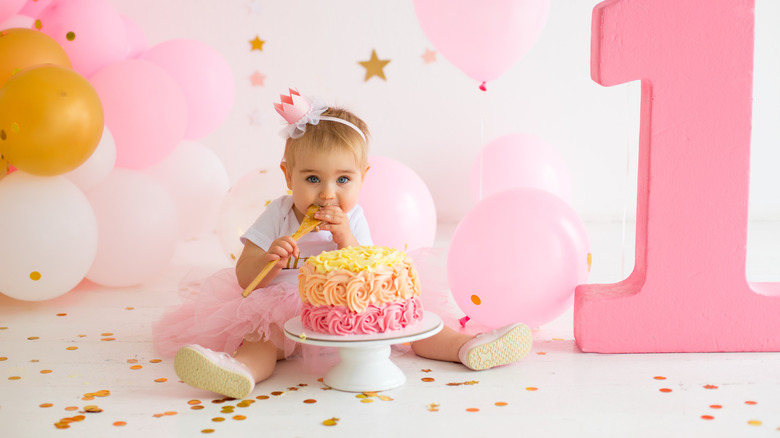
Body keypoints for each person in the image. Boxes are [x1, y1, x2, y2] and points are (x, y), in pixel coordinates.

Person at [153, 89, 533, 399]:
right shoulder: (279, 214)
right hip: (282, 306)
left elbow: (363, 266)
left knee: (414, 326)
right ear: (289, 176)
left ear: (362, 178)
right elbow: (244, 277)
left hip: (346, 308)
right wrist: (271, 259)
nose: (327, 193)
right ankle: (239, 371)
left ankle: (466, 347)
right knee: (261, 339)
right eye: (313, 179)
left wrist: (344, 237)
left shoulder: (352, 219)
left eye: (343, 180)